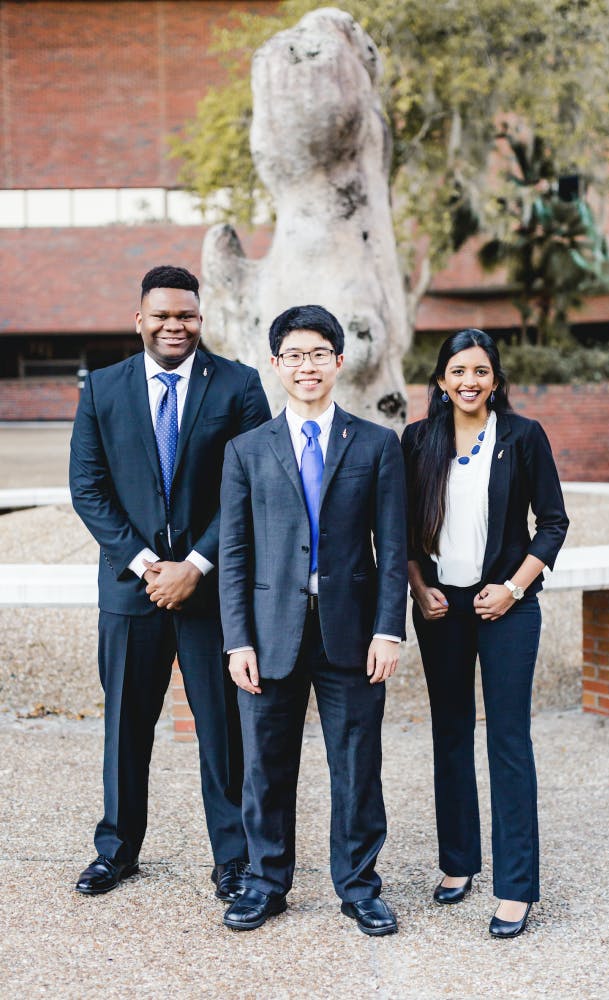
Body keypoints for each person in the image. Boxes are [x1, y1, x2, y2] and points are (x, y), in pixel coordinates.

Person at [69, 265, 271, 900]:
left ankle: (233, 860)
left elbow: (251, 489)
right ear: (139, 320)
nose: (173, 326)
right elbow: (89, 488)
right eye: (160, 315)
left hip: (213, 592)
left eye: (184, 315)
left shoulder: (238, 385)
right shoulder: (102, 389)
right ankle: (117, 849)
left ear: (200, 319)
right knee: (127, 726)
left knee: (224, 732)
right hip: (131, 591)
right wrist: (146, 564)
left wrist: (196, 566)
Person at [218, 305, 408, 935]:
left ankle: (359, 886)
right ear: (276, 365)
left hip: (352, 634)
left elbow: (392, 547)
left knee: (357, 765)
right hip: (270, 633)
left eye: (318, 354)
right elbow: (235, 553)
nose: (307, 366)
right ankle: (266, 883)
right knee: (265, 766)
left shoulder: (377, 444)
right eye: (294, 356)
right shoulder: (246, 450)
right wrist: (236, 639)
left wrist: (389, 628)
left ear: (338, 360)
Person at [402, 329, 568, 939]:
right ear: (441, 379)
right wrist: (419, 588)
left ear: (495, 379)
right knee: (450, 734)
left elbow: (552, 522)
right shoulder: (417, 440)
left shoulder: (523, 437)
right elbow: (400, 532)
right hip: (441, 606)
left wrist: (514, 588)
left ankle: (517, 889)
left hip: (508, 604)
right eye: (457, 370)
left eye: (481, 371)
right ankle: (457, 862)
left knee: (508, 739)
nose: (469, 381)